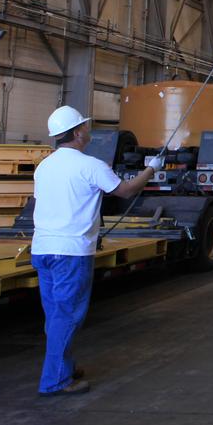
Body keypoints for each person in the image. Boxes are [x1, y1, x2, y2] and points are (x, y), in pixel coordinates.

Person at [32, 106, 158, 396]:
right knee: (68, 315)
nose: (88, 130)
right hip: (71, 253)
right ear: (77, 133)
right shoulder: (90, 165)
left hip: (43, 249)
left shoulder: (45, 166)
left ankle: (62, 367)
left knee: (55, 316)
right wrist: (152, 169)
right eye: (85, 126)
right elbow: (124, 191)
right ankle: (55, 380)